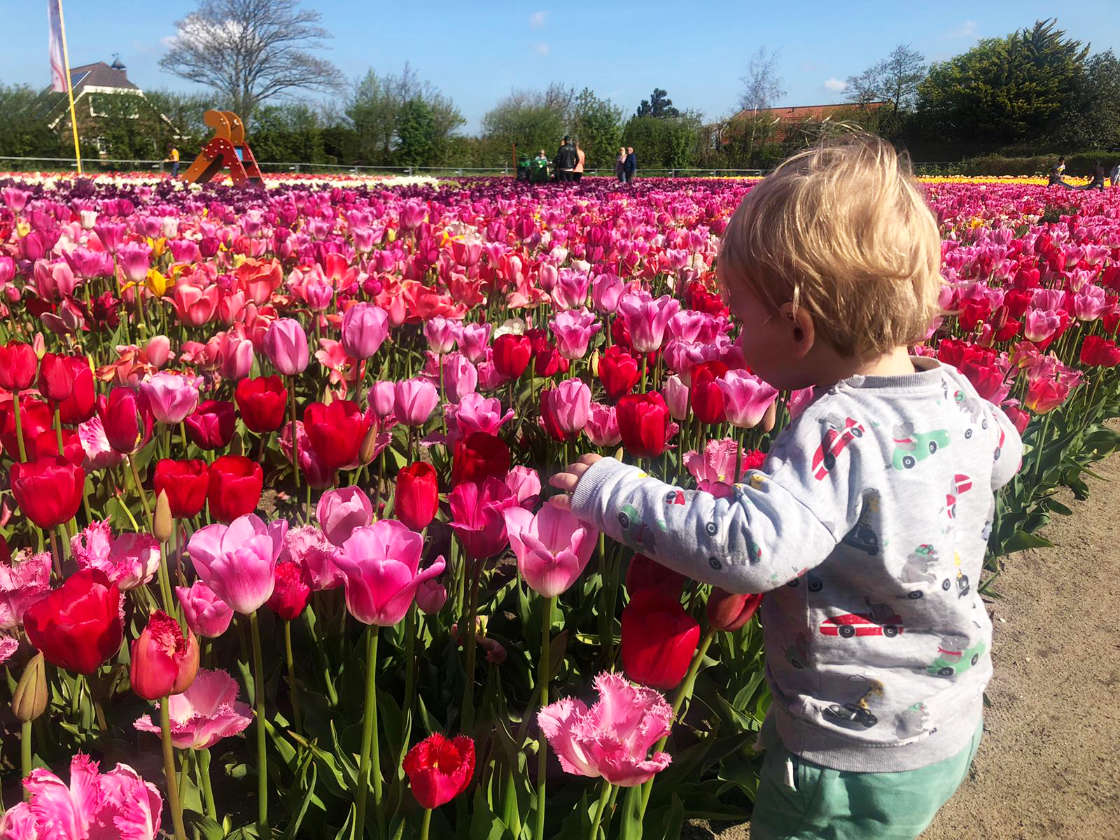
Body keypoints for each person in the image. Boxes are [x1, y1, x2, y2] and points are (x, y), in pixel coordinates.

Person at [550, 134, 1023, 840]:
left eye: (740, 316)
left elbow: (754, 548)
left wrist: (618, 493)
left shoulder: (840, 426)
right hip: (945, 718)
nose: (734, 334)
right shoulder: (954, 392)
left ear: (799, 328)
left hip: (849, 753)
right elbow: (1006, 455)